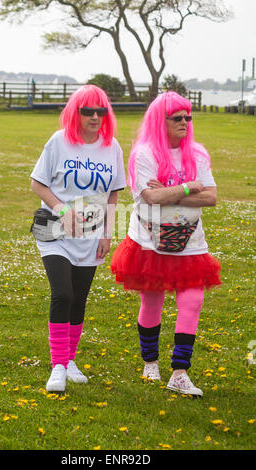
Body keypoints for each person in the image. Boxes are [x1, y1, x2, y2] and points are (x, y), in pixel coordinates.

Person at [111, 91, 221, 396]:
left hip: (190, 242)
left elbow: (211, 197)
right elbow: (151, 197)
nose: (185, 123)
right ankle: (150, 363)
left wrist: (171, 191)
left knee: (193, 300)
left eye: (188, 117)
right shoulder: (144, 153)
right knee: (152, 302)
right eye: (177, 118)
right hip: (149, 242)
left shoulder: (197, 153)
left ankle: (180, 372)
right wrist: (187, 187)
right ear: (161, 122)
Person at [30, 85, 126, 392]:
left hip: (90, 233)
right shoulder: (59, 142)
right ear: (76, 113)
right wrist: (61, 210)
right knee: (63, 295)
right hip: (53, 229)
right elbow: (37, 183)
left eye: (101, 111)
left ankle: (70, 360)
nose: (95, 116)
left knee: (79, 301)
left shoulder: (113, 148)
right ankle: (57, 366)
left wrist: (108, 234)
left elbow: (112, 196)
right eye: (88, 111)